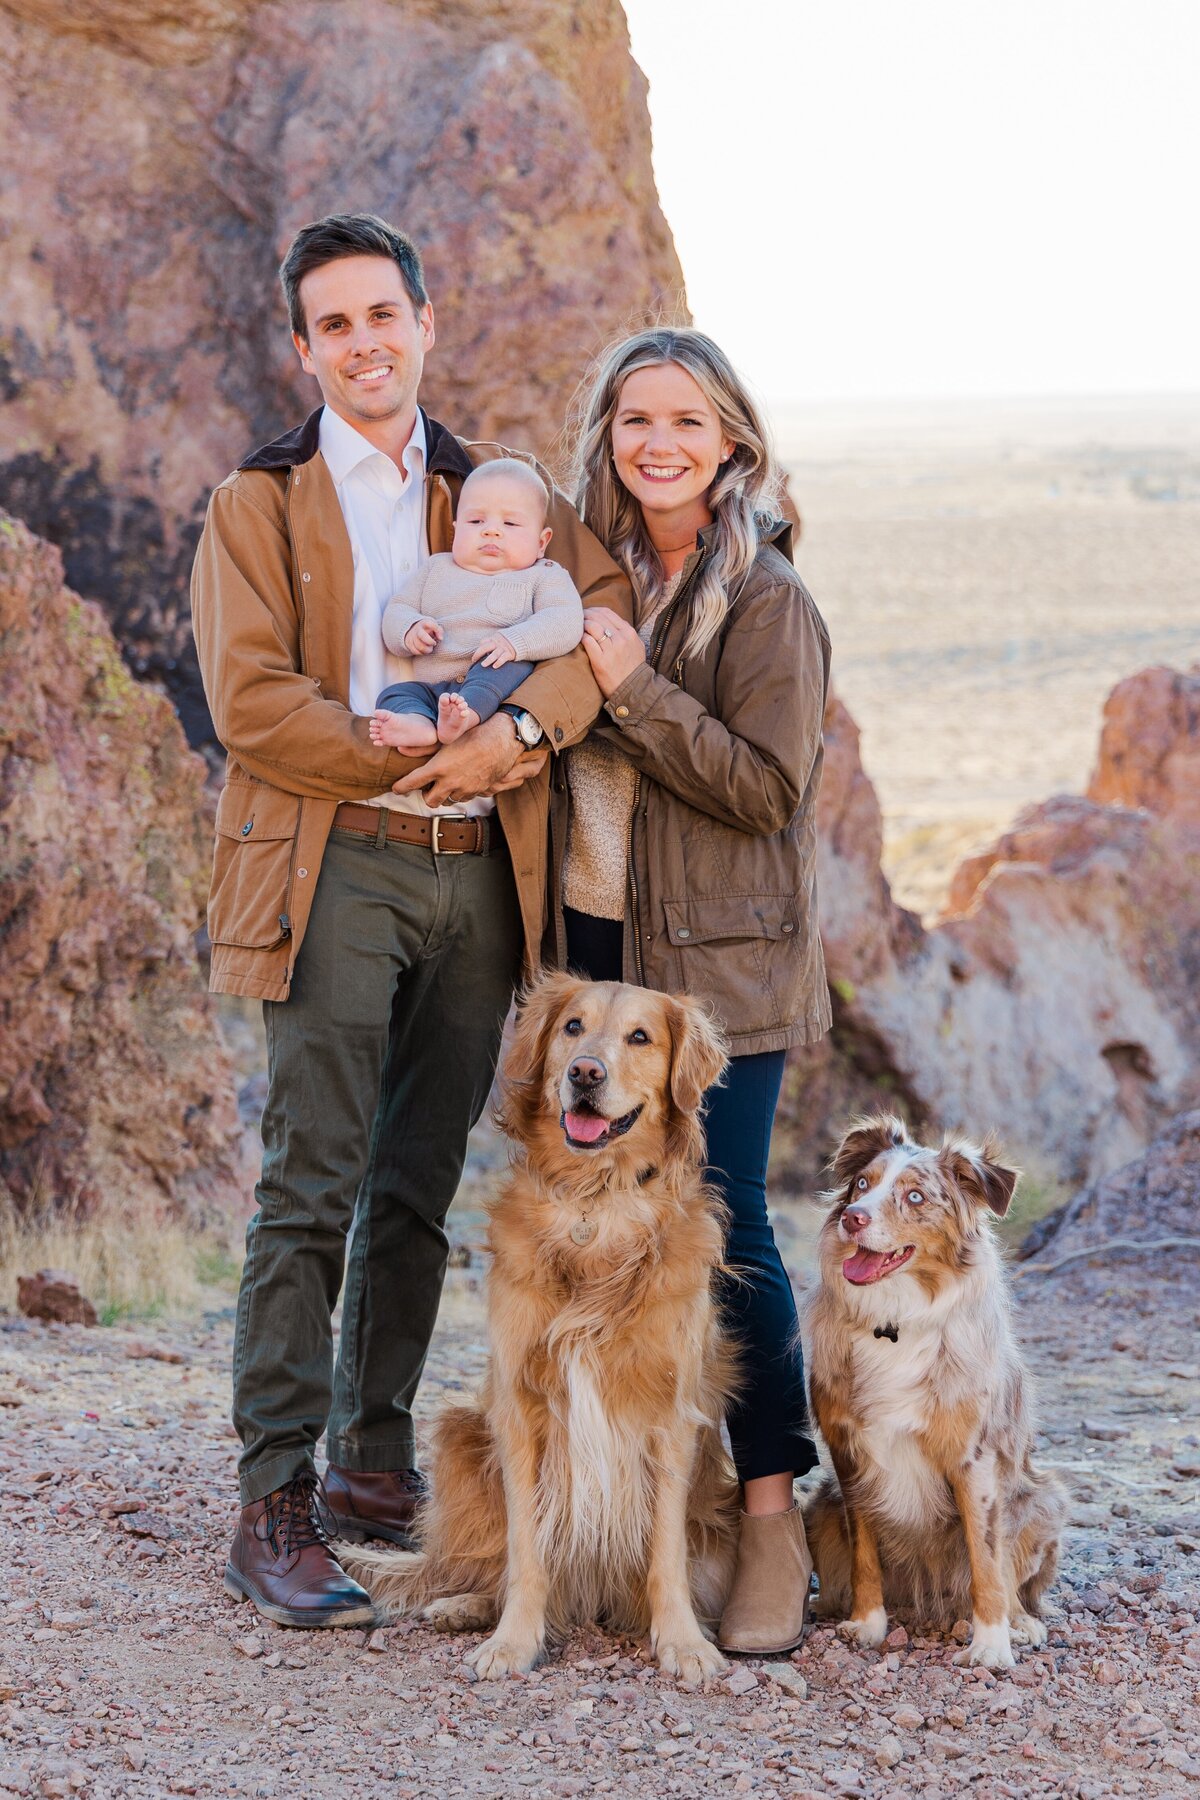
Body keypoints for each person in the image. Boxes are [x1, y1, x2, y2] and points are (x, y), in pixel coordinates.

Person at [190, 213, 631, 1629]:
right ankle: (274, 1497)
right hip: (339, 861)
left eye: (385, 315)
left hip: (482, 877)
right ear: (303, 348)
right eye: (335, 324)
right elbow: (250, 702)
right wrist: (392, 750)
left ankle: (372, 1462)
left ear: (425, 323)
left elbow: (599, 629)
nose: (364, 343)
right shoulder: (256, 504)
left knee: (416, 1179)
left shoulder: (494, 489)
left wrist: (514, 747)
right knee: (314, 1174)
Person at [553, 327, 832, 1656]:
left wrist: (634, 687)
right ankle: (640, 1510)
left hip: (718, 981)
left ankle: (773, 1515)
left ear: (732, 440)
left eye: (684, 419)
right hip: (598, 965)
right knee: (613, 1245)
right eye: (632, 420)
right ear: (607, 440)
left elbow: (766, 788)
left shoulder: (766, 600)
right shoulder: (594, 580)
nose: (656, 441)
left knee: (724, 1240)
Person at [369, 458, 583, 751]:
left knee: (509, 665)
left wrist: (514, 641)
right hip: (436, 690)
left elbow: (566, 620)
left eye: (510, 523)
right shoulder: (436, 568)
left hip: (495, 679)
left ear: (541, 541)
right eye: (476, 521)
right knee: (396, 694)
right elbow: (397, 608)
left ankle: (466, 717)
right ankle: (421, 724)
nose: (491, 531)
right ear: (456, 530)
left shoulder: (543, 574)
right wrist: (410, 629)